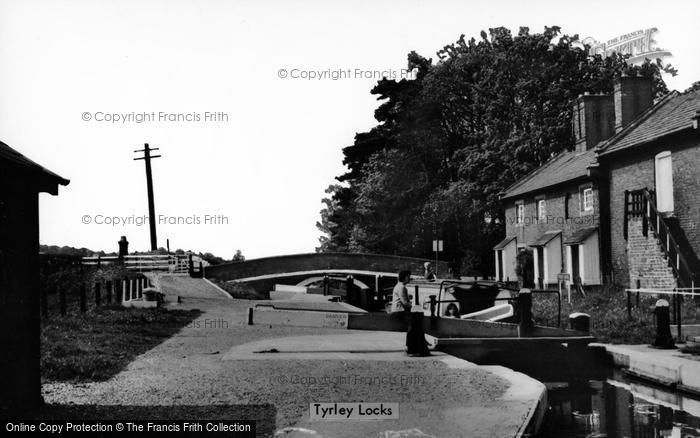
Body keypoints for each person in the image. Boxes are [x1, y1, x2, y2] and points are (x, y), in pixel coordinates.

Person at [390, 270, 431, 357]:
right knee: (415, 323)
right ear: (405, 277)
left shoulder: (399, 286)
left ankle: (417, 347)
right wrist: (414, 307)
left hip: (399, 311)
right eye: (408, 276)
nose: (409, 278)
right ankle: (414, 348)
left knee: (417, 319)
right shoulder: (402, 287)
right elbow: (405, 303)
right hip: (399, 311)